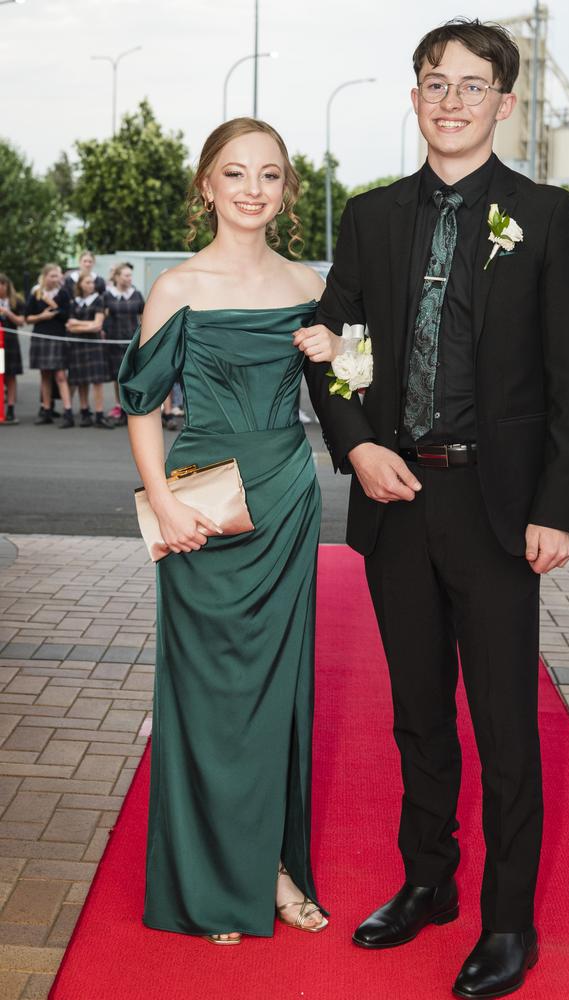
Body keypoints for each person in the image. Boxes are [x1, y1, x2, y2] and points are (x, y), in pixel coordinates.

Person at [300, 18, 569, 999]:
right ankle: (427, 879)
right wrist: (357, 444)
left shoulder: (545, 215)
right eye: (435, 82)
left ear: (503, 103)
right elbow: (335, 346)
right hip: (395, 496)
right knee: (418, 714)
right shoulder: (371, 215)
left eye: (472, 86)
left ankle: (507, 919)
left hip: (497, 506)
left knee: (505, 725)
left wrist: (557, 507)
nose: (451, 100)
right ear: (415, 93)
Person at [118, 117, 339, 945]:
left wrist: (344, 349)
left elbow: (348, 393)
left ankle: (271, 869)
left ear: (285, 191)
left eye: (270, 175)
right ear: (206, 186)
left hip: (285, 499)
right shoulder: (177, 287)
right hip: (202, 502)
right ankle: (214, 883)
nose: (253, 189)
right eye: (235, 173)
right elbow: (140, 405)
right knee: (207, 695)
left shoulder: (306, 284)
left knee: (273, 696)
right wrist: (163, 502)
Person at [26, 264, 74, 427]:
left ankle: (68, 412)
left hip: (58, 336)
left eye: (58, 276)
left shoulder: (63, 294)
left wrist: (52, 304)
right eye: (53, 276)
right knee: (44, 375)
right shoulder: (36, 294)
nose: (56, 279)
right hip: (40, 336)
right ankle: (46, 410)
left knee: (60, 375)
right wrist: (42, 316)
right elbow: (27, 317)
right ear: (45, 276)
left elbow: (66, 315)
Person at [65, 273, 114, 428]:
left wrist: (78, 323)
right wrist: (87, 326)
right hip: (78, 345)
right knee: (81, 380)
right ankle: (85, 412)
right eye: (87, 282)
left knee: (97, 381)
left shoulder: (98, 300)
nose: (91, 285)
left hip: (94, 344)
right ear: (80, 284)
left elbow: (98, 325)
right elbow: (69, 327)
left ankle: (99, 415)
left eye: (92, 282)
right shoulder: (74, 302)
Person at [104, 263, 145, 426]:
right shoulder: (108, 295)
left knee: (133, 375)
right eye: (126, 275)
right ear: (117, 277)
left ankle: (133, 408)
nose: (129, 278)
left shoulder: (136, 294)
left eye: (130, 276)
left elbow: (143, 318)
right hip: (114, 340)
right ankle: (120, 407)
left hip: (132, 340)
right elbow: (103, 317)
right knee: (117, 376)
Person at [0, 273, 25, 425]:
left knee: (11, 376)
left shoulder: (16, 302)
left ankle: (10, 409)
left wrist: (7, 312)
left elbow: (21, 321)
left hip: (10, 343)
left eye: (3, 284)